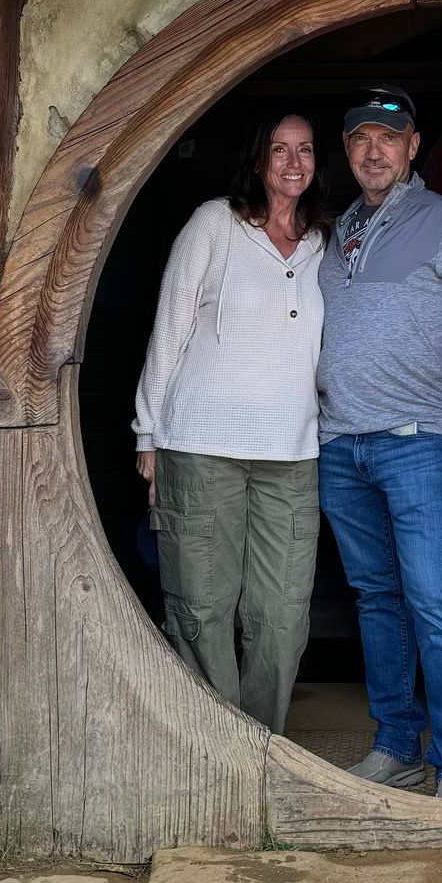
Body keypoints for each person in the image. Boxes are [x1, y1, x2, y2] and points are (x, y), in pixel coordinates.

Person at [317, 84, 442, 799]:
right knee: (377, 600)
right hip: (341, 445)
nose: (374, 150)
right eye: (360, 138)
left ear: (411, 148)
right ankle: (397, 746)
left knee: (432, 596)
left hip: (416, 442)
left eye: (388, 138)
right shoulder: (339, 230)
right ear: (347, 151)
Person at [133, 111, 328, 733]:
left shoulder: (327, 243)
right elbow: (171, 327)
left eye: (305, 149)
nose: (293, 162)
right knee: (201, 604)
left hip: (293, 452)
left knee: (283, 613)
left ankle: (261, 749)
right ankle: (216, 753)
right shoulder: (215, 224)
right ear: (257, 159)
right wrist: (149, 433)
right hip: (200, 443)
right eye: (279, 149)